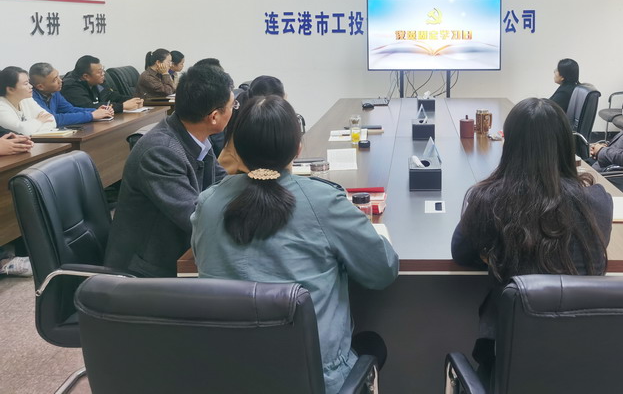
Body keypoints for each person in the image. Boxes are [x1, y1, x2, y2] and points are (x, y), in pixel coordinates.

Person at [192, 94, 399, 393]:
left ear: (234, 149)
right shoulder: (323, 201)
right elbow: (382, 271)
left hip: (229, 373)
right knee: (373, 344)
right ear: (298, 148)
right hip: (315, 378)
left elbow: (202, 259)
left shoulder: (208, 203)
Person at [451, 97, 612, 380]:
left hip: (509, 364)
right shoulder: (598, 201)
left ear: (509, 145)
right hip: (584, 360)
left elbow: (461, 252)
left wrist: (495, 253)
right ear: (565, 146)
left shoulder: (490, 199)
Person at [104, 65, 234, 277]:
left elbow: (224, 184)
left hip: (178, 249)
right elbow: (194, 217)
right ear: (214, 117)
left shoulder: (194, 135)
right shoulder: (160, 152)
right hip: (146, 272)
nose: (234, 111)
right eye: (232, 105)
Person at [29, 62, 113, 128]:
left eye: (58, 76)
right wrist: (91, 115)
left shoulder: (54, 92)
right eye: (55, 80)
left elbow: (70, 109)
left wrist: (96, 111)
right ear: (40, 87)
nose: (61, 81)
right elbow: (53, 119)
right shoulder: (31, 98)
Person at [61, 55, 144, 114]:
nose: (103, 74)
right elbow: (88, 107)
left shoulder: (97, 81)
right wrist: (122, 106)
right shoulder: (70, 86)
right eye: (99, 72)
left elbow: (111, 96)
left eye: (103, 70)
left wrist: (134, 100)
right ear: (86, 76)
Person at [0, 66, 57, 135]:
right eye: (26, 84)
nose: (31, 86)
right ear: (10, 89)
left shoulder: (26, 99)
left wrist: (32, 129)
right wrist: (39, 121)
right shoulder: (1, 107)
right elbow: (21, 130)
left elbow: (51, 119)